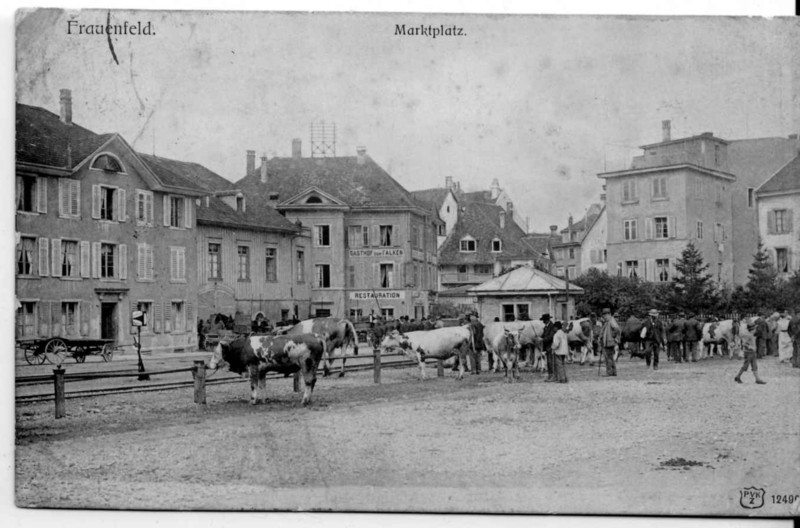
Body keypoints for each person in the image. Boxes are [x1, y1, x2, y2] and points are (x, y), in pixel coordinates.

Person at [735, 319, 767, 384]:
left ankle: (757, 379)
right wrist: (750, 347)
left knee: (754, 366)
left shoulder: (750, 334)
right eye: (755, 328)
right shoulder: (749, 335)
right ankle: (738, 376)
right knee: (745, 366)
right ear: (752, 329)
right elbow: (744, 343)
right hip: (749, 352)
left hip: (752, 352)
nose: (756, 329)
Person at [599, 307, 620, 376]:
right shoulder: (608, 321)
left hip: (609, 342)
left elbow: (616, 329)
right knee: (610, 357)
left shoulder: (611, 321)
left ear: (608, 314)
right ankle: (614, 372)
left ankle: (609, 372)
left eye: (605, 315)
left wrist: (613, 336)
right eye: (603, 315)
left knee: (608, 358)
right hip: (608, 342)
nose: (604, 317)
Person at [541, 314, 557, 382]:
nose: (543, 322)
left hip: (551, 346)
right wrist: (539, 338)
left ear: (547, 320)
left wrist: (542, 339)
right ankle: (550, 376)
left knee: (551, 362)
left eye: (544, 320)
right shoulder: (545, 327)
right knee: (549, 362)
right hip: (547, 347)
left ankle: (553, 376)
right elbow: (543, 335)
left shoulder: (552, 327)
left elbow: (551, 337)